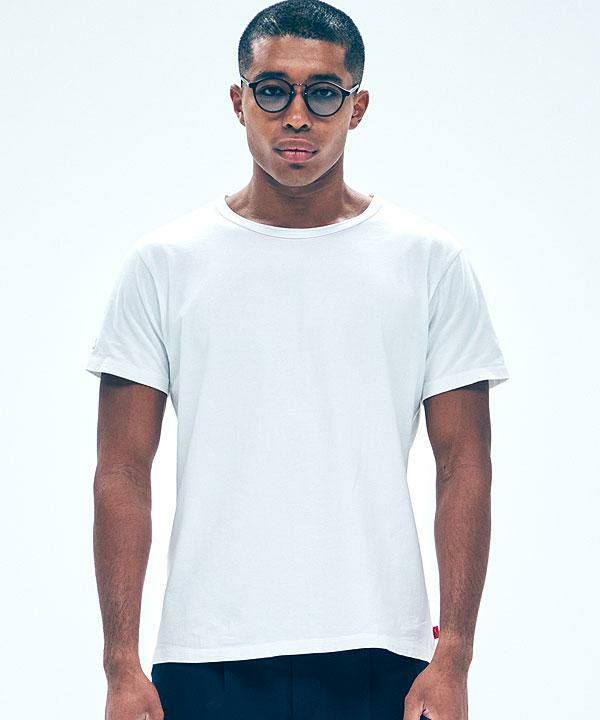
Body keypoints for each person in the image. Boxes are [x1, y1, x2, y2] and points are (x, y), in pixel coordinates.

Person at [86, 1, 510, 718]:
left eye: (323, 93)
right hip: (206, 652)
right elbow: (122, 471)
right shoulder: (164, 265)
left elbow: (464, 465)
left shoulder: (430, 263)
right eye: (273, 90)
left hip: (382, 650)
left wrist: (456, 657)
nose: (297, 117)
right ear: (239, 100)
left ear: (357, 106)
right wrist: (120, 667)